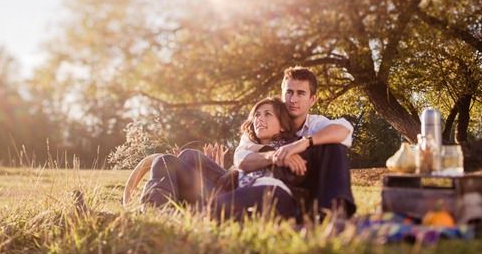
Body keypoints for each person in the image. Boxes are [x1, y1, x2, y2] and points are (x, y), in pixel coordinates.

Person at [139, 97, 301, 220]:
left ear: (282, 124)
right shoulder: (246, 146)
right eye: (257, 115)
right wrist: (234, 171)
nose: (260, 119)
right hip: (234, 192)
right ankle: (155, 208)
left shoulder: (291, 146)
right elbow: (242, 163)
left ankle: (162, 213)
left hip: (258, 196)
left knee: (176, 164)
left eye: (268, 114)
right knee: (170, 160)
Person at [234, 66, 356, 219]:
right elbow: (241, 157)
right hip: (278, 186)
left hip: (309, 184)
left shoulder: (314, 124)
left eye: (301, 93)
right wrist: (277, 155)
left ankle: (335, 211)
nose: (293, 100)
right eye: (289, 92)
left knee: (334, 146)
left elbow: (344, 129)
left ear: (312, 100)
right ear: (282, 94)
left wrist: (304, 142)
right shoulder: (262, 124)